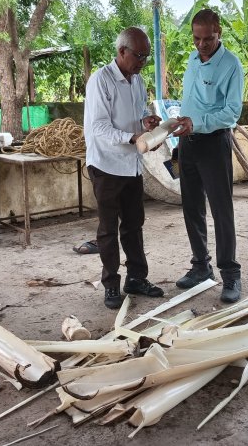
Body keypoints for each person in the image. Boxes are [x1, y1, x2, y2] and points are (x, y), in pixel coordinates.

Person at [83, 27, 164, 309]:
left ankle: (136, 279)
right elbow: (99, 126)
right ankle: (111, 285)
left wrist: (146, 123)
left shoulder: (138, 81)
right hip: (106, 165)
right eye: (139, 56)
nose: (142, 62)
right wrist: (131, 136)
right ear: (121, 52)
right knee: (108, 230)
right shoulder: (101, 81)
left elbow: (137, 113)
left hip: (131, 165)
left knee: (134, 226)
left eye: (146, 56)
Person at [172, 9, 245, 303]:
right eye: (197, 38)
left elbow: (231, 112)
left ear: (219, 33)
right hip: (187, 142)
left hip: (214, 143)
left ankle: (230, 274)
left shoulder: (231, 65)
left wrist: (198, 123)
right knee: (191, 207)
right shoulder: (191, 59)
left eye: (208, 38)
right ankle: (201, 267)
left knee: (221, 210)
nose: (201, 44)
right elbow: (191, 100)